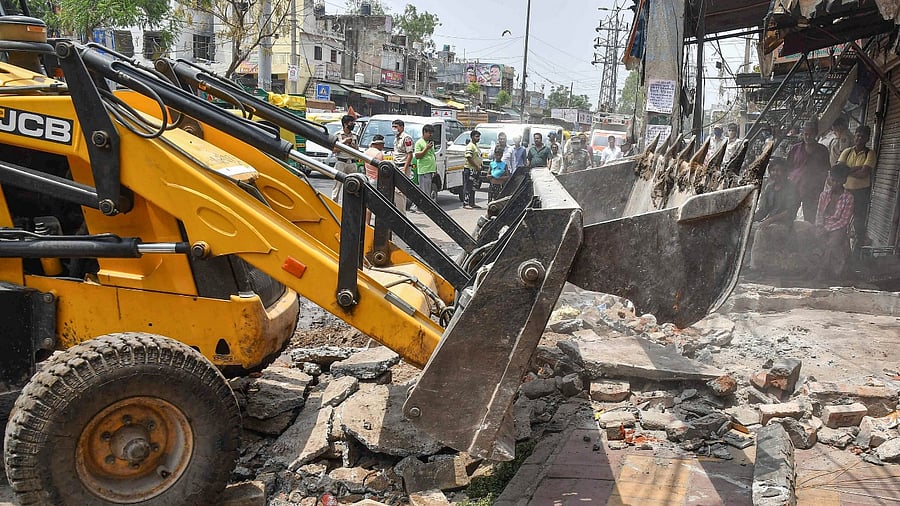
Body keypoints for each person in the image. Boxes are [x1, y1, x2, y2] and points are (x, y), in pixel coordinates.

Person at [747, 159, 799, 270]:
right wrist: (749, 219)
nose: (776, 173)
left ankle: (755, 267)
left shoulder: (792, 188)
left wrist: (769, 221)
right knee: (746, 230)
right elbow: (763, 211)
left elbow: (789, 212)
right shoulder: (769, 188)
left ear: (785, 171)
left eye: (779, 170)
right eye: (773, 170)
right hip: (769, 223)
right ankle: (744, 263)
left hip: (784, 225)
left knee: (760, 232)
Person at [838, 125, 877, 253]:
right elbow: (839, 171)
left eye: (862, 136)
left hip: (861, 193)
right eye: (857, 135)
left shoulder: (870, 153)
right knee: (842, 220)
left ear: (867, 138)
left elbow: (864, 173)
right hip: (846, 191)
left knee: (859, 222)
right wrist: (857, 168)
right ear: (854, 136)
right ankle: (842, 249)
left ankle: (857, 251)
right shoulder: (847, 152)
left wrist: (847, 170)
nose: (859, 138)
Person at [813, 163, 854, 279]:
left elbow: (844, 220)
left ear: (844, 181)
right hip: (824, 225)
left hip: (838, 227)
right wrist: (819, 226)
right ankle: (811, 268)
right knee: (810, 237)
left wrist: (826, 229)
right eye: (833, 180)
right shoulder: (824, 194)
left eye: (838, 181)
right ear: (830, 179)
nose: (835, 184)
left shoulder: (849, 198)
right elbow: (819, 213)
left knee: (831, 243)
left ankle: (822, 271)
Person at [787, 119, 830, 223]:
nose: (807, 137)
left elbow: (826, 169)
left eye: (810, 134)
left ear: (815, 134)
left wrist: (819, 185)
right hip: (795, 187)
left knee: (810, 219)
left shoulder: (822, 150)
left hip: (813, 191)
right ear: (802, 134)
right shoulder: (795, 149)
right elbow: (788, 167)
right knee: (788, 215)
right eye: (805, 134)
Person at [331, 114, 359, 204]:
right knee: (337, 186)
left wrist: (352, 146)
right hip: (341, 162)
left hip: (352, 163)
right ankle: (334, 205)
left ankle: (351, 206)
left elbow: (357, 150)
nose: (353, 125)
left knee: (353, 186)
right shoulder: (337, 135)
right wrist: (344, 143)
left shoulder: (354, 135)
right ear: (345, 124)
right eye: (351, 123)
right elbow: (334, 150)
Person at [363, 135, 386, 225]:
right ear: (378, 144)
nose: (383, 146)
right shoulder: (378, 154)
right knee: (376, 203)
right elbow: (382, 169)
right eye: (382, 144)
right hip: (376, 180)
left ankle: (367, 223)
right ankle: (377, 224)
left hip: (368, 178)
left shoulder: (366, 152)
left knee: (368, 203)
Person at [413, 124, 437, 205]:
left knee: (428, 190)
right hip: (424, 170)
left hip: (430, 170)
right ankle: (421, 206)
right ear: (424, 132)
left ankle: (424, 205)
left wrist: (435, 168)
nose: (431, 135)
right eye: (429, 133)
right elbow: (417, 156)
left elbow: (432, 155)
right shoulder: (419, 143)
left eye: (432, 133)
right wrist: (426, 148)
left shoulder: (430, 142)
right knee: (424, 191)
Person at [463, 130, 482, 209]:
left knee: (473, 187)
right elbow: (469, 157)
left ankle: (472, 203)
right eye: (476, 136)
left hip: (475, 170)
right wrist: (477, 166)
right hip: (470, 169)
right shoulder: (470, 146)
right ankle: (466, 203)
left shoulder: (476, 146)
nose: (478, 138)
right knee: (468, 186)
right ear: (472, 137)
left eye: (479, 137)